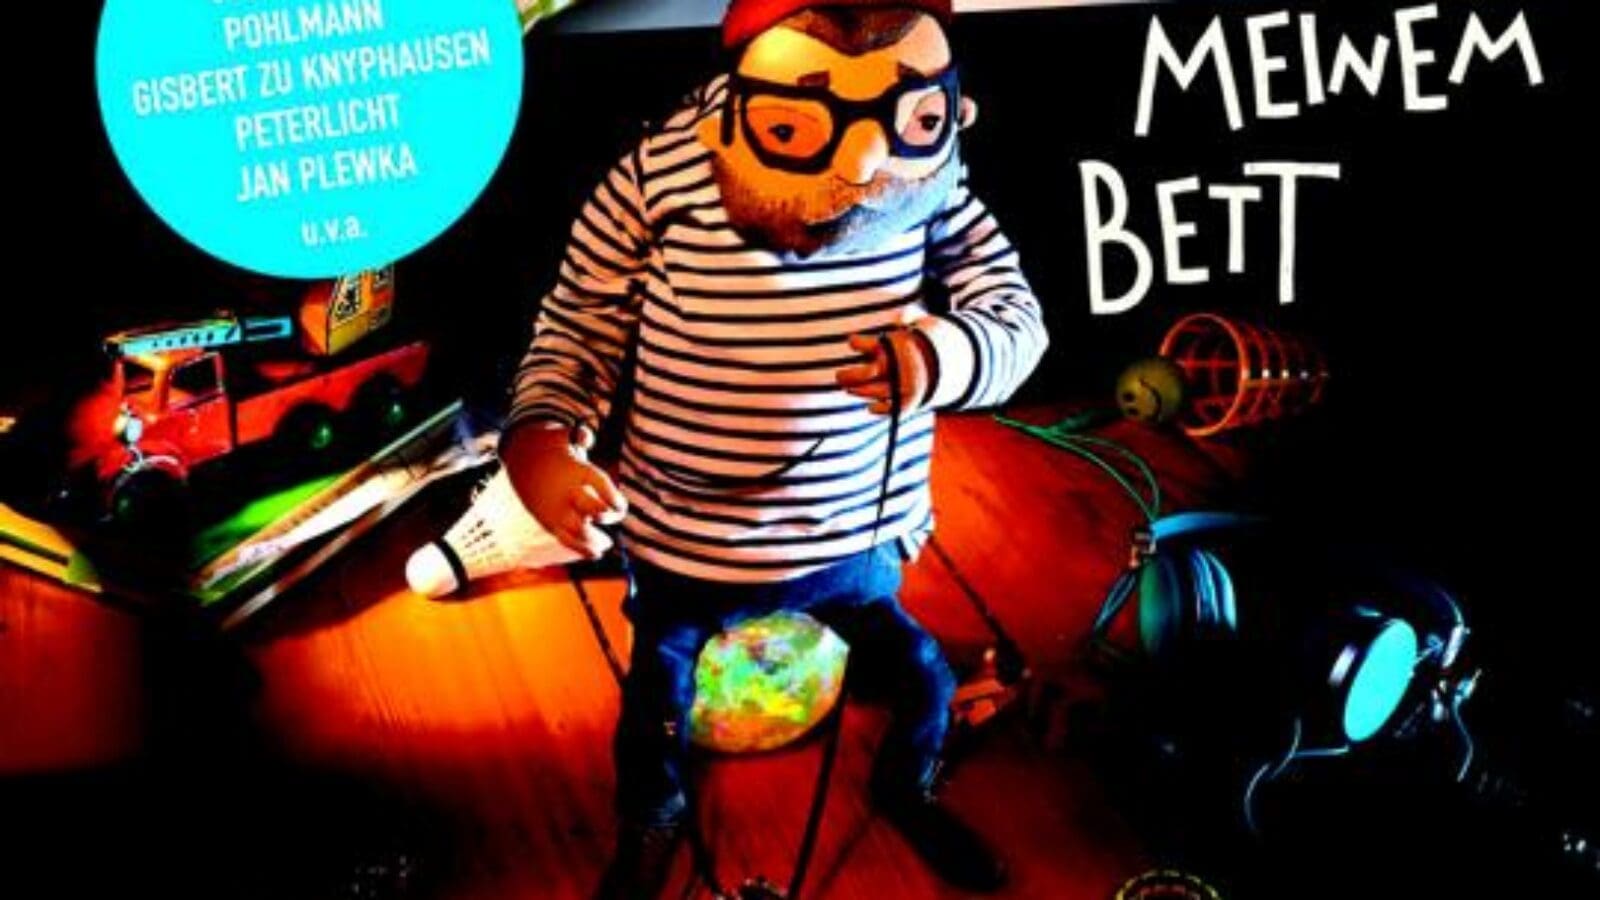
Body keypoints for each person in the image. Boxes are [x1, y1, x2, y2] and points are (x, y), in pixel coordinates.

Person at [499, 1, 1048, 895]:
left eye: (912, 118)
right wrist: (541, 438)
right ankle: (652, 815)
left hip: (854, 532)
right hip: (687, 536)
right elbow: (578, 321)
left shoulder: (937, 176)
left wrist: (950, 354)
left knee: (924, 681)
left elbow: (1015, 315)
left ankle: (907, 783)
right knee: (656, 710)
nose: (863, 166)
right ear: (728, 109)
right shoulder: (657, 174)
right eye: (795, 126)